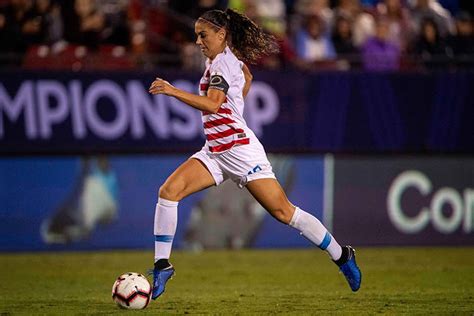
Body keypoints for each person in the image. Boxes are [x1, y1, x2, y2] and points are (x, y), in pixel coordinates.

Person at [148, 8, 362, 300]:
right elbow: (244, 82)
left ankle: (342, 256)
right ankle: (162, 266)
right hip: (215, 151)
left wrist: (173, 91)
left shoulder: (222, 64)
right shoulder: (219, 63)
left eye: (203, 35)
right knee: (168, 191)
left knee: (284, 212)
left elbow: (212, 105)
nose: (198, 41)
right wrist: (236, 100)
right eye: (196, 35)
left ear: (221, 35)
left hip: (240, 152)